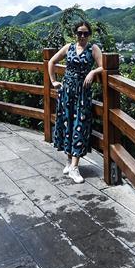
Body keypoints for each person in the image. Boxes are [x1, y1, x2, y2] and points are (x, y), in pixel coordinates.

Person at [48, 21, 103, 184]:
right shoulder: (68, 47)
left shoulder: (93, 48)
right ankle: (69, 161)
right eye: (80, 33)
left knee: (80, 125)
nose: (82, 36)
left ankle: (74, 167)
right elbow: (51, 62)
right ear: (75, 33)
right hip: (67, 92)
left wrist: (92, 72)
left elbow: (103, 66)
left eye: (86, 33)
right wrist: (53, 81)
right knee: (67, 125)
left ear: (90, 34)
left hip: (82, 94)